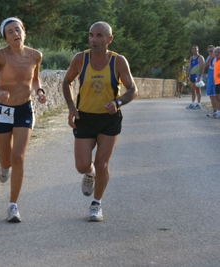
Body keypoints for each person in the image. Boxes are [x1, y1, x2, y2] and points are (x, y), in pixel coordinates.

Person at [62, 21, 138, 222]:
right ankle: (89, 173)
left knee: (102, 162)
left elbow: (133, 89)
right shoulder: (80, 59)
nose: (94, 40)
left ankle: (96, 204)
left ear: (109, 39)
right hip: (85, 117)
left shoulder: (118, 61)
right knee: (82, 165)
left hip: (109, 119)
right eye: (91, 35)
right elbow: (66, 82)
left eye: (99, 36)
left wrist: (118, 102)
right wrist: (71, 107)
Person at [0, 17, 47, 223]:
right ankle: (3, 167)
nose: (15, 34)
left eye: (17, 30)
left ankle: (13, 205)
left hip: (24, 110)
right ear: (5, 37)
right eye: (10, 32)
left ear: (24, 31)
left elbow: (34, 79)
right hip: (2, 110)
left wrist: (40, 91)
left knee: (18, 157)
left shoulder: (36, 55)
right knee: (6, 160)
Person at [186, 45, 205, 109]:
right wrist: (187, 75)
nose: (194, 50)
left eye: (195, 49)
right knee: (192, 90)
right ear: (191, 50)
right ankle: (192, 103)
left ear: (198, 49)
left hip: (197, 76)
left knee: (198, 91)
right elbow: (190, 66)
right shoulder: (191, 58)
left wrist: (199, 76)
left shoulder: (200, 57)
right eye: (193, 49)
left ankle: (199, 104)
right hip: (192, 76)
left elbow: (202, 67)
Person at [203, 45, 217, 117]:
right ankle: (214, 110)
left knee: (217, 95)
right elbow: (204, 66)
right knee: (211, 95)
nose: (210, 52)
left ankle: (218, 111)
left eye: (212, 51)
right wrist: (209, 59)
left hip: (216, 78)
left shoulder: (218, 58)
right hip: (210, 77)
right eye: (209, 51)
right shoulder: (209, 57)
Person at [213, 46, 220, 118]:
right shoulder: (215, 61)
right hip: (216, 82)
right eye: (216, 52)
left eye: (219, 52)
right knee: (217, 97)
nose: (217, 53)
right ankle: (218, 111)